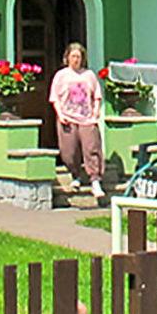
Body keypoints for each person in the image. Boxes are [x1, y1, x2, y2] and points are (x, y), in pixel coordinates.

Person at [49, 41, 107, 205]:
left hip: (87, 118)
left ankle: (95, 180)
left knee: (91, 148)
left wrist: (96, 112)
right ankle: (75, 175)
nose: (76, 60)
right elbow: (55, 98)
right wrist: (60, 115)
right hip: (67, 117)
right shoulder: (61, 75)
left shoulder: (89, 75)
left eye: (79, 57)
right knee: (69, 151)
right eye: (73, 56)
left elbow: (96, 95)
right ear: (67, 58)